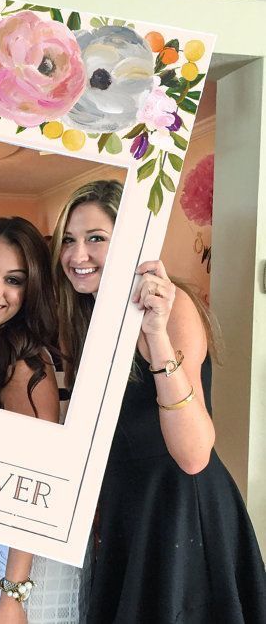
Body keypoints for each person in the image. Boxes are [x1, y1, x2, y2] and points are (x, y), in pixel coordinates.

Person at [51, 180, 266, 623]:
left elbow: (192, 455)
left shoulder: (174, 307)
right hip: (127, 508)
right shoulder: (85, 317)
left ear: (131, 239)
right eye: (69, 240)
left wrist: (156, 334)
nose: (77, 255)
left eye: (96, 239)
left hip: (179, 507)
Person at [0, 217, 89, 624]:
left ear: (30, 290)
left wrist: (15, 594)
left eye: (14, 280)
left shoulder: (25, 365)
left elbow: (40, 482)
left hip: (19, 559)